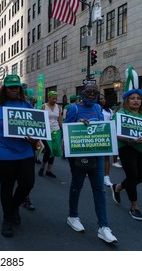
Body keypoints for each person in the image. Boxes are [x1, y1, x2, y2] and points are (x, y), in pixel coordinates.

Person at [0, 74, 36, 238]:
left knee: (27, 183)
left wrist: (35, 139)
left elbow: (37, 128)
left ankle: (13, 206)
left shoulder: (27, 106)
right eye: (10, 87)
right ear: (5, 89)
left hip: (25, 152)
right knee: (7, 186)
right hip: (3, 153)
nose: (14, 89)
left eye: (16, 87)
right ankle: (7, 219)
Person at [64, 83, 117, 244]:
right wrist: (78, 124)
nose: (92, 94)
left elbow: (102, 127)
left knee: (99, 189)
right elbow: (66, 130)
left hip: (97, 155)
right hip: (79, 155)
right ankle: (73, 216)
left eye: (95, 92)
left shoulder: (97, 109)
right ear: (83, 92)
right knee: (77, 185)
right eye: (89, 91)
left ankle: (104, 227)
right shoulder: (74, 109)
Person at [111, 88, 142, 221]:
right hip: (126, 148)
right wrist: (130, 139)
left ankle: (118, 187)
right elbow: (116, 133)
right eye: (132, 98)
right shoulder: (121, 114)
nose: (136, 101)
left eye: (138, 98)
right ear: (127, 100)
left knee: (139, 176)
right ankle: (134, 207)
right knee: (132, 176)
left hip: (141, 148)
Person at [38, 91, 63, 178]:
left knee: (54, 151)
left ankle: (49, 170)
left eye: (56, 98)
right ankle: (42, 168)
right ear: (49, 98)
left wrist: (63, 130)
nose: (55, 100)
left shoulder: (59, 107)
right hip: (46, 132)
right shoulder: (44, 106)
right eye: (53, 98)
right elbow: (40, 119)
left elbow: (59, 119)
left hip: (56, 131)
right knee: (49, 150)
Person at [99, 94, 114, 186]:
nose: (103, 100)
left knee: (107, 157)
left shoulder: (109, 111)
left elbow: (111, 122)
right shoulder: (95, 109)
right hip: (97, 135)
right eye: (100, 99)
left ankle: (106, 177)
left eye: (104, 98)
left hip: (107, 135)